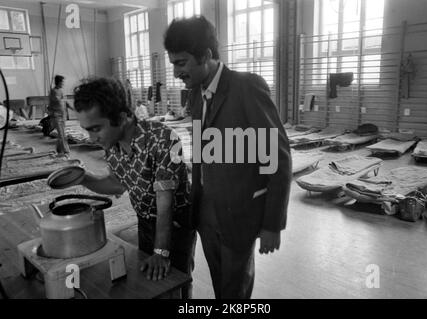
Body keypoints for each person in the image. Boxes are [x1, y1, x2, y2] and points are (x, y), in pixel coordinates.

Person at [164, 16, 292, 299]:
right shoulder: (196, 97)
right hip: (206, 214)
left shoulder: (247, 87)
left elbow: (278, 159)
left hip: (240, 216)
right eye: (173, 63)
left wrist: (273, 223)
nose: (175, 72)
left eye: (181, 62)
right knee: (222, 286)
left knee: (235, 292)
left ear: (206, 56)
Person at [73, 77, 196, 298]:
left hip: (175, 223)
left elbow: (165, 203)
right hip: (146, 220)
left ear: (121, 118)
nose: (91, 138)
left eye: (96, 128)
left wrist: (161, 251)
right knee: (151, 280)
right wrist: (83, 178)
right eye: (87, 130)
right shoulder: (113, 146)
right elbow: (117, 183)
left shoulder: (163, 138)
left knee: (175, 281)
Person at [48, 75, 70, 156]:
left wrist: (72, 108)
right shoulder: (53, 91)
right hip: (56, 116)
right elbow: (59, 101)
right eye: (62, 82)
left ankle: (59, 150)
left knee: (62, 134)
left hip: (62, 115)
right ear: (59, 82)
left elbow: (64, 102)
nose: (63, 84)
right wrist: (64, 99)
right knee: (62, 134)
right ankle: (66, 151)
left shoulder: (61, 91)